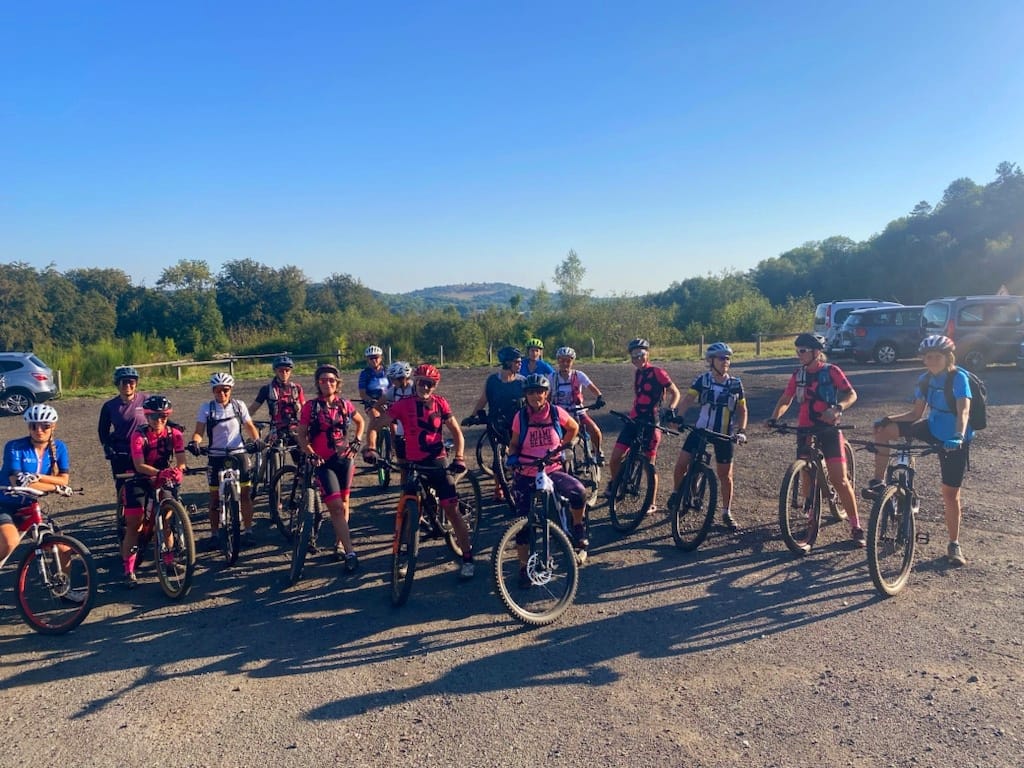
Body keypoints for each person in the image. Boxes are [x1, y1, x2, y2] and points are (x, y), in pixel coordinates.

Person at [867, 335, 973, 566]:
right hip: (931, 427)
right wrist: (886, 419)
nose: (933, 360)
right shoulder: (925, 379)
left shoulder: (958, 378)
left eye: (937, 356)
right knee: (884, 432)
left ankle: (954, 544)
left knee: (949, 493)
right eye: (928, 357)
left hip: (954, 435)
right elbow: (915, 415)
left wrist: (958, 436)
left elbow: (963, 411)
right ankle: (879, 482)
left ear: (948, 357)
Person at [366, 364, 476, 578]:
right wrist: (371, 447)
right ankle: (404, 556)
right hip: (414, 464)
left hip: (437, 462)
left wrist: (460, 457)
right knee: (409, 512)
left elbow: (457, 433)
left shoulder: (440, 403)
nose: (424, 387)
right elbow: (376, 425)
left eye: (429, 384)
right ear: (414, 382)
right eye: (421, 382)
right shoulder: (402, 405)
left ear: (434, 386)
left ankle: (467, 557)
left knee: (452, 511)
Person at [765, 332, 865, 546]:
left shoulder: (832, 371)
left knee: (840, 480)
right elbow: (786, 398)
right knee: (806, 476)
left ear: (816, 352)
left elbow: (851, 394)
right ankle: (811, 519)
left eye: (802, 351)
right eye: (797, 350)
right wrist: (774, 417)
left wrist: (838, 409)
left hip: (828, 429)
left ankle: (856, 526)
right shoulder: (798, 374)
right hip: (805, 428)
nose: (798, 354)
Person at [507, 374, 589, 564]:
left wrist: (562, 445)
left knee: (579, 491)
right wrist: (512, 457)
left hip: (551, 469)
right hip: (527, 471)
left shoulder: (555, 412)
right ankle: (523, 567)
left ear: (546, 394)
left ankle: (577, 526)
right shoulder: (520, 417)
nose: (535, 396)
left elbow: (573, 427)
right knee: (523, 524)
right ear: (526, 395)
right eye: (531, 392)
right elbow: (513, 443)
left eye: (540, 392)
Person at [667, 342, 748, 531]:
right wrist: (679, 417)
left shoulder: (736, 384)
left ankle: (727, 511)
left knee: (725, 476)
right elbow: (688, 399)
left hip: (723, 433)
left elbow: (743, 410)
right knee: (681, 464)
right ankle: (676, 492)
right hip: (701, 430)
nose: (725, 361)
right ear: (711, 361)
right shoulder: (702, 380)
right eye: (721, 358)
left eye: (728, 358)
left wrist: (742, 431)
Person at [295, 364, 365, 572]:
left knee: (344, 503)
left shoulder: (345, 404)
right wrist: (310, 453)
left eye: (331, 380)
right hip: (323, 463)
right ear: (318, 383)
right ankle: (351, 553)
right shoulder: (311, 407)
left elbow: (360, 422)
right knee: (335, 506)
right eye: (323, 380)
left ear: (337, 383)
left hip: (345, 460)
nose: (327, 383)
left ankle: (340, 544)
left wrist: (357, 441)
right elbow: (301, 435)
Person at [188, 372, 262, 550]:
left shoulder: (239, 406)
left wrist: (257, 440)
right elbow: (199, 431)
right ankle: (214, 534)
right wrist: (196, 442)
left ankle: (248, 530)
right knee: (214, 498)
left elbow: (249, 426)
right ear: (213, 391)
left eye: (225, 390)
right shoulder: (207, 408)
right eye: (218, 390)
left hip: (239, 453)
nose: (222, 394)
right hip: (216, 455)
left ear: (231, 390)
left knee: (245, 494)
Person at [605, 338, 681, 509]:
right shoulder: (638, 373)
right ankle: (617, 484)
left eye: (640, 355)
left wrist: (672, 409)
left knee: (649, 464)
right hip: (634, 419)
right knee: (615, 458)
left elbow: (675, 392)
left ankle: (651, 503)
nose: (637, 359)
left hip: (651, 422)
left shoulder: (658, 372)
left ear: (648, 354)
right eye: (634, 357)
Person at [121, 395, 187, 587]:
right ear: (147, 417)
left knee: (167, 519)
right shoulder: (138, 435)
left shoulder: (174, 434)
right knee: (135, 524)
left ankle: (168, 559)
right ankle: (128, 569)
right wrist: (161, 472)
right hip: (139, 478)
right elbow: (139, 465)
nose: (159, 421)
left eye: (163, 417)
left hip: (162, 477)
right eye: (155, 417)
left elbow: (182, 461)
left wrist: (178, 471)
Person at [0, 404, 71, 565]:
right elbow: (18, 482)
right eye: (33, 426)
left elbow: (64, 479)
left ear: (53, 426)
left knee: (64, 549)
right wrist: (55, 487)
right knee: (10, 542)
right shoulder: (14, 447)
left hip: (30, 506)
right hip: (4, 502)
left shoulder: (59, 448)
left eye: (45, 426)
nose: (39, 430)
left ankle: (65, 590)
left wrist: (38, 477)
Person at [464, 345, 526, 501]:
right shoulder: (492, 381)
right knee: (497, 458)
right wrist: (472, 416)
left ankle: (520, 485)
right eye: (517, 362)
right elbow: (483, 399)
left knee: (519, 455)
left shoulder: (522, 382)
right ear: (507, 363)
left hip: (516, 424)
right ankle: (498, 488)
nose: (520, 364)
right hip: (495, 423)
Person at [549, 345, 606, 464]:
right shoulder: (552, 377)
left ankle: (597, 451)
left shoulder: (578, 375)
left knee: (595, 431)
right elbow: (548, 395)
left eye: (568, 360)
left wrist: (599, 397)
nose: (565, 363)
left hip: (578, 411)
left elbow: (591, 387)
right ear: (558, 361)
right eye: (562, 360)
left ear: (572, 361)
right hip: (560, 414)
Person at [98, 366, 148, 492]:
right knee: (123, 486)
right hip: (122, 450)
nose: (128, 385)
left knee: (147, 481)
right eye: (124, 382)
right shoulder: (109, 406)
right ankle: (123, 508)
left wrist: (173, 425)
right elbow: (102, 430)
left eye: (131, 382)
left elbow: (158, 415)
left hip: (144, 447)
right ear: (117, 384)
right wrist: (107, 446)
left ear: (136, 383)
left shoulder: (145, 400)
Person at [364, 361, 415, 484]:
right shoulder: (394, 390)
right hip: (402, 428)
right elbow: (381, 401)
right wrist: (374, 405)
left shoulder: (415, 388)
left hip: (414, 427)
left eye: (393, 379)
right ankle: (404, 490)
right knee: (403, 467)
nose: (391, 381)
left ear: (402, 378)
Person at [248, 355, 306, 452]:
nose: (284, 373)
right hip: (276, 427)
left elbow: (305, 408)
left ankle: (301, 466)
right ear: (275, 371)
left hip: (294, 426)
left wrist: (299, 408)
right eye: (281, 370)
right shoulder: (267, 389)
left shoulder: (296, 388)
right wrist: (244, 420)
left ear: (290, 371)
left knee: (304, 450)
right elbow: (253, 408)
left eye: (287, 370)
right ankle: (263, 467)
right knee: (266, 452)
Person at [358, 345, 390, 420]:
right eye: (371, 358)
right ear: (367, 359)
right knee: (375, 419)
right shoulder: (365, 374)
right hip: (371, 403)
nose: (373, 360)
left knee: (393, 424)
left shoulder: (388, 371)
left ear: (381, 358)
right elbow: (362, 393)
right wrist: (370, 400)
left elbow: (394, 387)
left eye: (376, 357)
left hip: (387, 401)